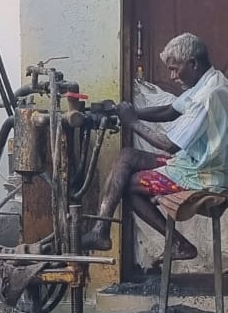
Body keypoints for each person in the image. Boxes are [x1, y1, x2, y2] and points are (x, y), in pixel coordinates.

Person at [83, 32, 228, 260]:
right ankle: (100, 230)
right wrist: (126, 112)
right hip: (195, 165)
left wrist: (133, 122)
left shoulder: (207, 97)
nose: (172, 76)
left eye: (175, 69)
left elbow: (169, 145)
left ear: (192, 63)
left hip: (203, 176)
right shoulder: (211, 80)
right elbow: (169, 110)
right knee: (128, 156)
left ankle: (180, 245)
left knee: (128, 185)